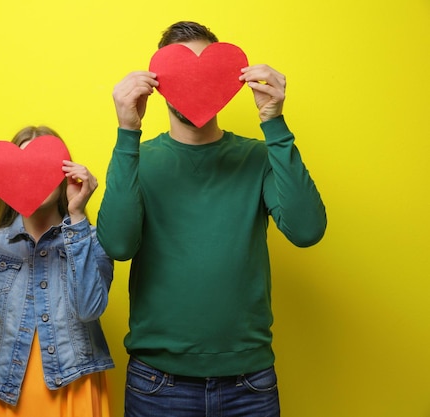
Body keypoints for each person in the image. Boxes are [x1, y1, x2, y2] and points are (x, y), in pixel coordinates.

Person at [97, 21, 327, 417]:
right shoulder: (138, 160)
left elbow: (307, 231)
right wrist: (126, 131)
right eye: (183, 73)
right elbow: (118, 245)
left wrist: (274, 122)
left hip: (249, 383)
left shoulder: (258, 158)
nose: (196, 83)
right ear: (159, 84)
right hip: (157, 384)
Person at [0, 126, 114, 417]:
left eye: (44, 165)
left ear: (66, 175)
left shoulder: (90, 240)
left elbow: (90, 309)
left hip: (76, 389)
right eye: (21, 167)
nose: (33, 176)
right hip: (4, 393)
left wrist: (77, 216)